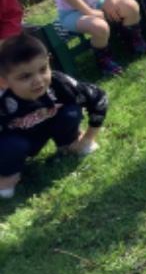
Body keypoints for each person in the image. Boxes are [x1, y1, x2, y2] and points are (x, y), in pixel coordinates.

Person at [0, 34, 107, 199]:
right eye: (25, 77)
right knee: (12, 145)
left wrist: (89, 137)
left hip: (52, 122)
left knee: (71, 111)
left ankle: (69, 142)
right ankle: (8, 173)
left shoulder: (60, 82)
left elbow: (98, 97)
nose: (38, 80)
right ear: (3, 80)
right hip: (16, 138)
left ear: (49, 61)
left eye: (43, 69)